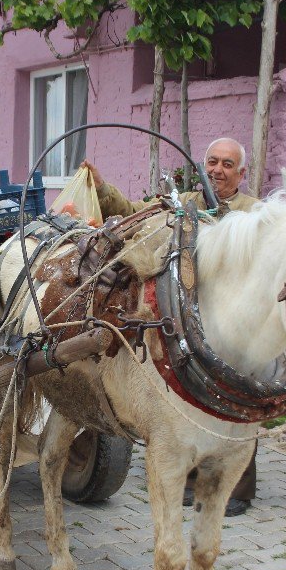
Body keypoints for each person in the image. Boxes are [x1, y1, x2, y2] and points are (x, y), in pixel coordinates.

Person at [81, 137, 259, 517]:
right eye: (212, 162)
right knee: (191, 393)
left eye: (228, 164)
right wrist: (101, 188)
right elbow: (134, 212)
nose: (218, 170)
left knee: (238, 395)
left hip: (233, 323)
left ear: (241, 173)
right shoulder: (185, 203)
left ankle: (237, 488)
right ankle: (190, 479)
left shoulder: (252, 212)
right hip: (189, 315)